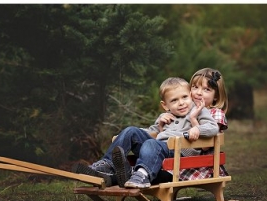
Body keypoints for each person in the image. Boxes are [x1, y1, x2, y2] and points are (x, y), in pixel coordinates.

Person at [87, 75, 221, 190]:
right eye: (174, 100)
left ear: (191, 96)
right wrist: (160, 125)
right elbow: (152, 132)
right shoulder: (167, 116)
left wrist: (197, 128)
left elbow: (213, 127)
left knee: (152, 144)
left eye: (184, 97)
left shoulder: (198, 111)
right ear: (165, 105)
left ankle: (142, 176)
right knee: (131, 131)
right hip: (156, 149)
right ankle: (107, 164)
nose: (181, 103)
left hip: (179, 151)